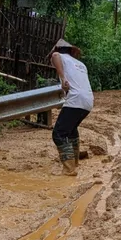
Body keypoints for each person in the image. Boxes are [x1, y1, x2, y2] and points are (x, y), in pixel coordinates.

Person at [49, 39, 94, 176]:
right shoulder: (80, 64)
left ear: (58, 49)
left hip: (75, 99)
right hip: (88, 101)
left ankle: (69, 169)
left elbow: (55, 56)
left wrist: (63, 79)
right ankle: (74, 162)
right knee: (71, 130)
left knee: (59, 133)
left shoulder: (59, 56)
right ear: (70, 50)